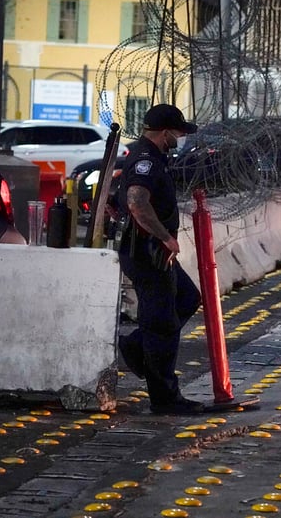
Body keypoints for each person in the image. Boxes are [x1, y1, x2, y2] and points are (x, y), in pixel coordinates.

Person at [116, 103, 204, 415]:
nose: (179, 139)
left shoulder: (151, 158)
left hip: (152, 251)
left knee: (187, 297)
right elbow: (137, 203)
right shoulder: (146, 161)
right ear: (165, 132)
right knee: (162, 324)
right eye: (178, 133)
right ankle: (165, 397)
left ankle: (136, 346)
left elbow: (120, 203)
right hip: (147, 252)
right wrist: (165, 237)